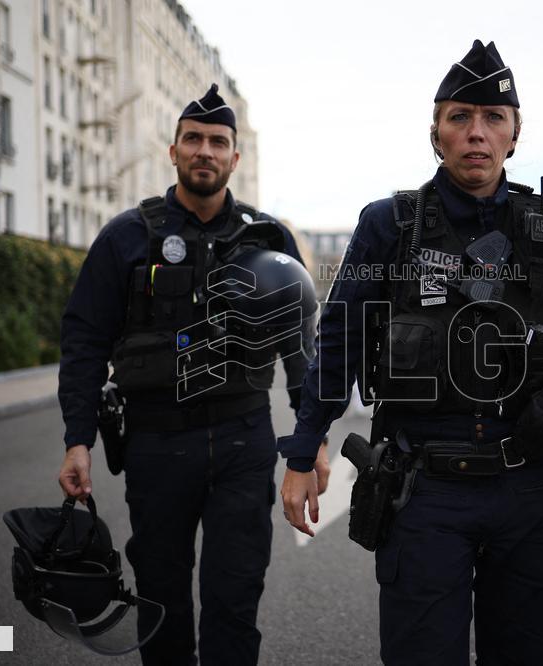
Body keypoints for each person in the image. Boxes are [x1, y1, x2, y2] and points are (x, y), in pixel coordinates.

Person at [278, 41, 543, 664]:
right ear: (436, 134)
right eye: (459, 118)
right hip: (423, 490)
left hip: (532, 488)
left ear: (514, 133)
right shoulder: (387, 225)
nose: (476, 133)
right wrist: (303, 444)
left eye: (492, 118)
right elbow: (339, 340)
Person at [56, 84, 327, 665]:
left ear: (235, 157)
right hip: (157, 443)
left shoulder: (268, 238)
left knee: (235, 601)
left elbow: (302, 350)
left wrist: (314, 443)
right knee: (162, 602)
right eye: (194, 139)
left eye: (218, 142)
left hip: (242, 440)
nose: (205, 150)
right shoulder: (126, 237)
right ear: (173, 151)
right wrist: (77, 439)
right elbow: (83, 341)